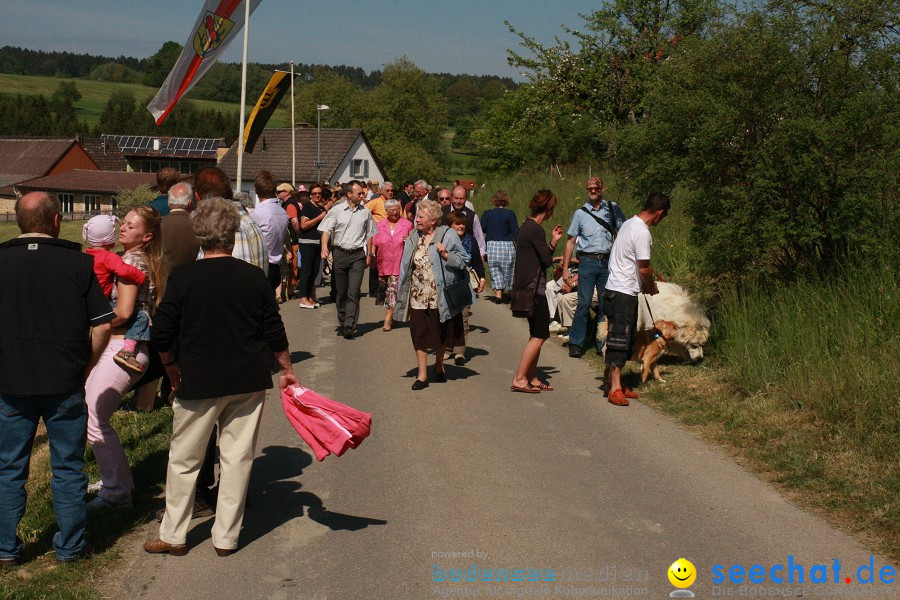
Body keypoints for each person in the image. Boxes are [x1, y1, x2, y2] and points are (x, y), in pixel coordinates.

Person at [145, 197, 298, 557]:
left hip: (197, 381)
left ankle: (174, 535)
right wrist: (287, 369)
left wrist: (170, 369)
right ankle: (226, 538)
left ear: (200, 235)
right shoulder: (254, 277)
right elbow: (274, 330)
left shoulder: (183, 278)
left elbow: (162, 333)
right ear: (232, 234)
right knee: (237, 458)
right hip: (247, 380)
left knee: (184, 459)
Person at [0, 192, 113, 566]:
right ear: (54, 220)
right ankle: (69, 547)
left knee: (9, 466)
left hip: (11, 380)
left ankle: (5, 548)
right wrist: (88, 366)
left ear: (19, 222)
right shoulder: (78, 264)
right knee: (67, 466)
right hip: (64, 379)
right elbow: (102, 325)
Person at [84, 206, 166, 510]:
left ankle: (117, 494)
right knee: (94, 415)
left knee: (94, 417)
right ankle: (116, 483)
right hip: (118, 346)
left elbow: (124, 312)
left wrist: (89, 320)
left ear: (146, 236)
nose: (123, 228)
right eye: (123, 223)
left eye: (131, 226)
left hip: (123, 349)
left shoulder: (132, 260)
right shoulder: (130, 258)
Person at [395, 199, 472, 390]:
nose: (417, 220)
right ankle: (422, 375)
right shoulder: (413, 236)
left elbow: (464, 260)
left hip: (440, 297)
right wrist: (400, 295)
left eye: (421, 216)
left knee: (440, 334)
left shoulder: (448, 235)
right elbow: (405, 267)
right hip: (417, 296)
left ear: (433, 220)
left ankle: (439, 364)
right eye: (418, 216)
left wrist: (446, 255)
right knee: (419, 334)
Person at [603, 192, 670, 406]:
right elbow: (644, 267)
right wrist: (650, 286)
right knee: (619, 340)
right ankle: (614, 389)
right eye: (663, 217)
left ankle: (615, 383)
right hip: (622, 292)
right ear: (659, 213)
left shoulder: (629, 224)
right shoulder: (642, 232)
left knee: (627, 336)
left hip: (618, 289)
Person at [559, 176, 626, 358]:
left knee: (606, 305)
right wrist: (565, 269)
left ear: (602, 189)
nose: (593, 191)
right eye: (590, 189)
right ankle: (576, 343)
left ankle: (601, 343)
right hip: (587, 263)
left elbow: (624, 233)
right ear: (587, 191)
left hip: (607, 263)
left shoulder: (612, 209)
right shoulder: (580, 213)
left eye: (596, 188)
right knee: (583, 303)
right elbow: (570, 241)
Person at [510, 190, 564, 393]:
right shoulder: (535, 229)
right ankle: (520, 377)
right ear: (549, 209)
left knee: (536, 333)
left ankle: (531, 377)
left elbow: (542, 257)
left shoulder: (527, 226)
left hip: (529, 287)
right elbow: (547, 261)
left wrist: (552, 242)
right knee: (540, 334)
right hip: (535, 289)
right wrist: (553, 246)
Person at [81, 215, 148, 375]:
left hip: (86, 303)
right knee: (141, 316)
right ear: (108, 239)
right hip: (102, 303)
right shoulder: (109, 257)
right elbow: (124, 270)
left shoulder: (86, 255)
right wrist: (140, 276)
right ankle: (128, 351)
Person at [318, 181, 376, 339]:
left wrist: (369, 253)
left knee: (354, 291)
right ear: (349, 194)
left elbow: (370, 233)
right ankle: (343, 319)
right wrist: (324, 246)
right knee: (341, 292)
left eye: (363, 193)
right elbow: (326, 230)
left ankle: (350, 324)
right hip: (340, 254)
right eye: (360, 193)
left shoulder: (365, 212)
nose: (363, 196)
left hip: (357, 255)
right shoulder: (336, 210)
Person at [372, 198, 413, 331]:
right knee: (385, 292)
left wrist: (409, 241)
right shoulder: (379, 225)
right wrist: (371, 255)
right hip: (383, 263)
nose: (395, 212)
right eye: (392, 210)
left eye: (397, 210)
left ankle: (387, 321)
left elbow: (413, 242)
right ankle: (394, 316)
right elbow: (374, 243)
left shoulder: (407, 225)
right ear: (386, 211)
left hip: (400, 264)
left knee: (392, 292)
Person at [250, 170, 290, 292]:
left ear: (256, 190)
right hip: (275, 266)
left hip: (261, 267)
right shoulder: (282, 211)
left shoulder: (257, 213)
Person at [296, 183, 334, 308]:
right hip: (307, 243)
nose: (317, 195)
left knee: (315, 271)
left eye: (319, 193)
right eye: (314, 193)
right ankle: (303, 298)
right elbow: (303, 225)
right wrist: (319, 218)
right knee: (306, 271)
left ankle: (310, 297)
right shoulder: (308, 207)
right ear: (310, 195)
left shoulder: (320, 208)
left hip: (317, 243)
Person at [480, 190, 519, 302]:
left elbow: (482, 228)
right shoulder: (510, 214)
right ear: (506, 201)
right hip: (506, 245)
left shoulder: (487, 213)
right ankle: (511, 294)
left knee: (495, 269)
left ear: (494, 201)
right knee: (509, 270)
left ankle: (498, 294)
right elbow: (515, 232)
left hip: (492, 245)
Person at [277, 183, 300, 300]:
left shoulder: (290, 204)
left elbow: (294, 222)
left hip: (292, 239)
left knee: (292, 265)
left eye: (280, 191)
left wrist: (298, 234)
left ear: (287, 192)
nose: (278, 193)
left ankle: (290, 291)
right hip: (290, 238)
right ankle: (289, 290)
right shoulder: (286, 203)